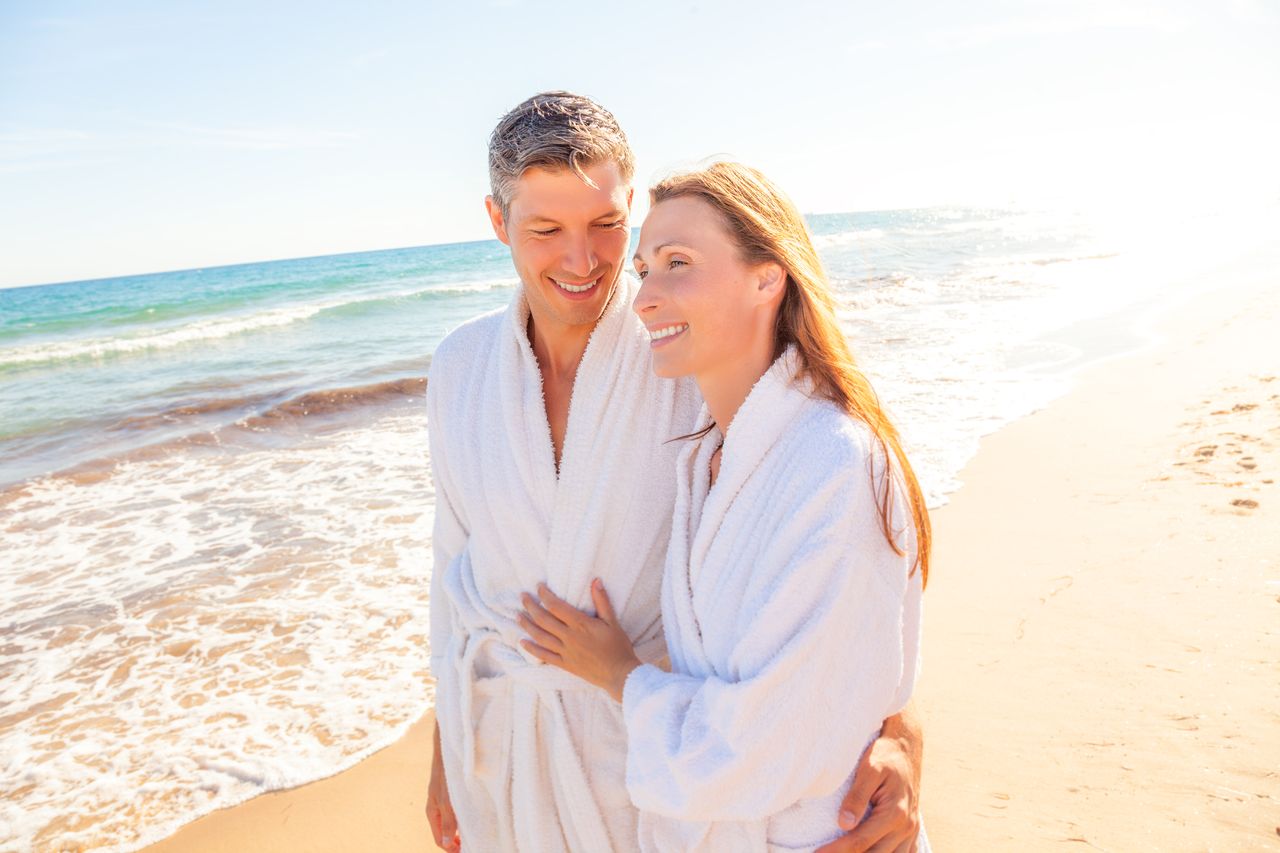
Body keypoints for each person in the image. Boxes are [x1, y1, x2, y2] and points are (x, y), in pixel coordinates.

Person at [425, 91, 924, 853]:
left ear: (630, 204)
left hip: (658, 767)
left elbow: (847, 571)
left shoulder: (685, 343)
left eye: (605, 225)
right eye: (546, 230)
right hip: (505, 757)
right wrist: (446, 747)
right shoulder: (461, 367)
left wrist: (900, 729)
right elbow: (452, 568)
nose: (583, 259)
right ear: (498, 223)